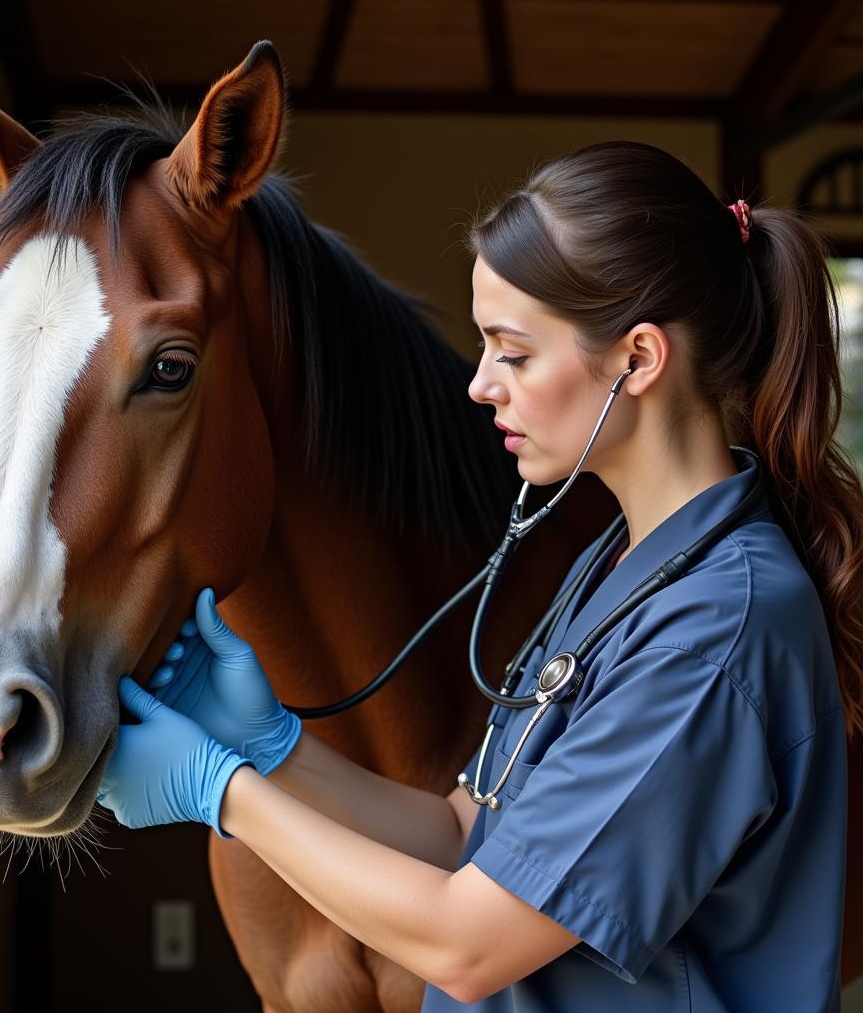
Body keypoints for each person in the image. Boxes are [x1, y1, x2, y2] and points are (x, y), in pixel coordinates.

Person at [97, 141, 863, 1011]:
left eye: (514, 352)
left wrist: (220, 792)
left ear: (638, 360)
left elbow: (467, 945)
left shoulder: (716, 629)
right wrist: (274, 747)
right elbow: (462, 832)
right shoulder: (614, 568)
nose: (478, 385)